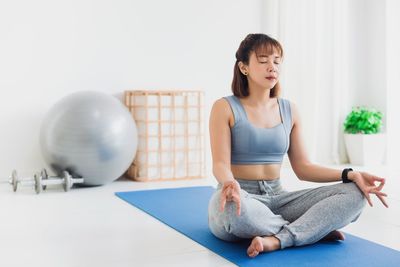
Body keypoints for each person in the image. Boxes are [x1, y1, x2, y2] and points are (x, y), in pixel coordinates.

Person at [208, 33, 388, 258]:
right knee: (234, 214)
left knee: (355, 195)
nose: (272, 67)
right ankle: (311, 230)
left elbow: (303, 167)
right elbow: (220, 164)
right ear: (244, 67)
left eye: (276, 61)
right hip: (241, 195)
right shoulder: (224, 107)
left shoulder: (290, 110)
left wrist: (350, 174)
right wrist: (229, 183)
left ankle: (278, 239)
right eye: (263, 60)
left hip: (279, 197)